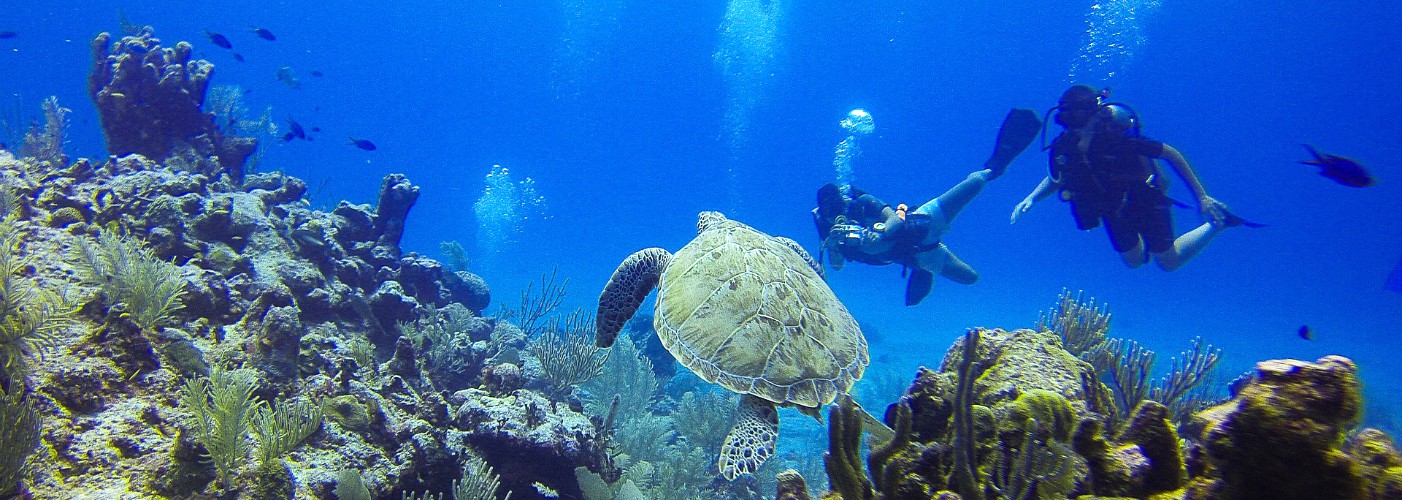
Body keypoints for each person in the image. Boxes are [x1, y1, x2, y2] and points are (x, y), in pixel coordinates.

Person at [813, 109, 1042, 305]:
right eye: (829, 211)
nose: (836, 215)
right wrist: (834, 246)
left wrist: (879, 233)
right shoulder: (825, 227)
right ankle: (923, 271)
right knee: (970, 277)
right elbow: (837, 266)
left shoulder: (860, 201)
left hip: (921, 223)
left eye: (838, 207)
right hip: (916, 256)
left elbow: (894, 218)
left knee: (974, 183)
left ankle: (995, 166)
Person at [1010, 85, 1250, 271]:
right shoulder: (1064, 146)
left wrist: (1202, 197)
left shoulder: (1118, 138)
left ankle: (1215, 224)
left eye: (1082, 121)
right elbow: (1058, 178)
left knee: (1168, 262)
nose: (1077, 130)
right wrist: (1031, 198)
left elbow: (1172, 154)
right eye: (1070, 122)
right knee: (1134, 262)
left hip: (1144, 198)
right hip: (1111, 209)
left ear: (1095, 116)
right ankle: (1152, 239)